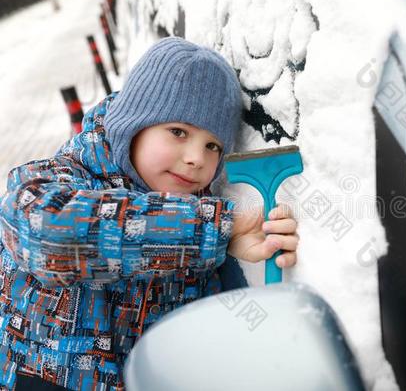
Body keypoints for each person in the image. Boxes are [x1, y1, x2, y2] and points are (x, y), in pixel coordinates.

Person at [0, 37, 299, 390]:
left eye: (212, 146)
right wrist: (213, 230)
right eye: (178, 132)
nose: (195, 158)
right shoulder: (57, 181)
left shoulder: (206, 246)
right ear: (134, 124)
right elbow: (46, 235)